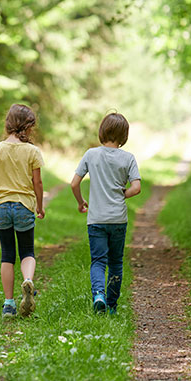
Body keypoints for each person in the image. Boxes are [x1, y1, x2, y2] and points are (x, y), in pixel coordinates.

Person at [70, 112, 141, 315]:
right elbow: (136, 187)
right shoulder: (128, 158)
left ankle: (98, 295)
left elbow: (74, 183)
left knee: (98, 261)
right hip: (118, 218)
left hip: (96, 219)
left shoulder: (91, 154)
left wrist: (81, 201)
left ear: (102, 131)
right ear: (124, 136)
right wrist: (121, 195)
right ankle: (111, 306)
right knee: (116, 262)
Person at [0, 104, 45, 318]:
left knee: (7, 254)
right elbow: (38, 182)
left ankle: (9, 304)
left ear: (8, 124)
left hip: (0, 206)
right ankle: (27, 280)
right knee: (27, 251)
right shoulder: (32, 151)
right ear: (28, 128)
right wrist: (39, 205)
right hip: (24, 206)